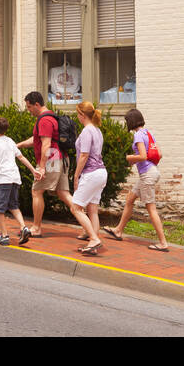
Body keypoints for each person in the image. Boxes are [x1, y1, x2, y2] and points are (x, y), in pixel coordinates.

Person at [102, 107, 168, 251]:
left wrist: (129, 157)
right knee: (130, 200)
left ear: (130, 122)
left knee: (151, 208)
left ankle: (163, 243)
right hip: (152, 171)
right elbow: (160, 154)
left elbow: (143, 156)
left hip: (147, 175)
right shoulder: (148, 133)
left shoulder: (138, 135)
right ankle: (118, 230)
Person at [13, 91, 73, 240]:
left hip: (52, 160)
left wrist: (41, 166)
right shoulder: (51, 117)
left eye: (29, 107)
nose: (28, 110)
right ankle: (87, 225)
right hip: (61, 159)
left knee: (37, 191)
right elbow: (36, 139)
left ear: (37, 105)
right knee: (64, 194)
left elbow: (46, 144)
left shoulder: (44, 120)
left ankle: (36, 228)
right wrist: (17, 146)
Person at [0, 115, 39, 245]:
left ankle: (4, 235)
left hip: (3, 180)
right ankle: (24, 228)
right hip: (15, 178)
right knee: (13, 205)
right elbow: (21, 157)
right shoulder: (10, 141)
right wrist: (33, 170)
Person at [69, 100, 107, 255]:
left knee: (75, 207)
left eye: (78, 114)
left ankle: (93, 238)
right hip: (101, 173)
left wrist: (76, 176)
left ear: (82, 115)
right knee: (92, 210)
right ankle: (93, 241)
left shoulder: (86, 131)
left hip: (90, 173)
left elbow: (84, 155)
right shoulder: (97, 131)